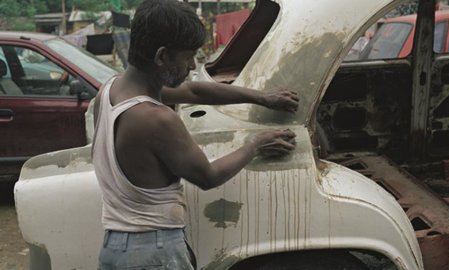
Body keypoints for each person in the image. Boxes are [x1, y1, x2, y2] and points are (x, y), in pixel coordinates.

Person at [92, 0, 299, 269]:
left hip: (116, 248)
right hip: (153, 252)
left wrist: (262, 97)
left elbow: (194, 92)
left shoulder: (111, 90)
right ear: (162, 56)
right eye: (188, 56)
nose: (192, 65)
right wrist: (255, 145)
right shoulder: (156, 119)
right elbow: (207, 176)